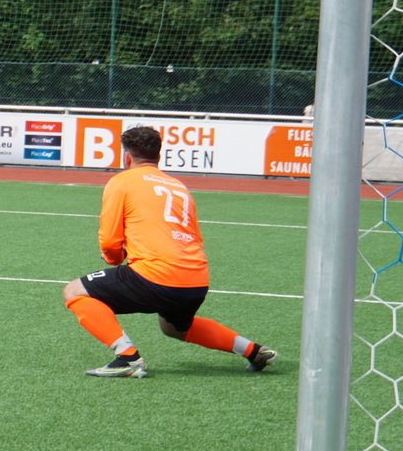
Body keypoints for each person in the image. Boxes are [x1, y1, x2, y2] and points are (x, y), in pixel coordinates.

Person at [61, 125, 277, 378]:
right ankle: (253, 350)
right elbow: (194, 236)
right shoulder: (178, 186)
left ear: (127, 157)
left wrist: (114, 258)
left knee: (74, 291)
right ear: (158, 156)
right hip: (196, 281)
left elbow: (109, 241)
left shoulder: (122, 181)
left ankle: (128, 358)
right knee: (175, 328)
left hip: (156, 276)